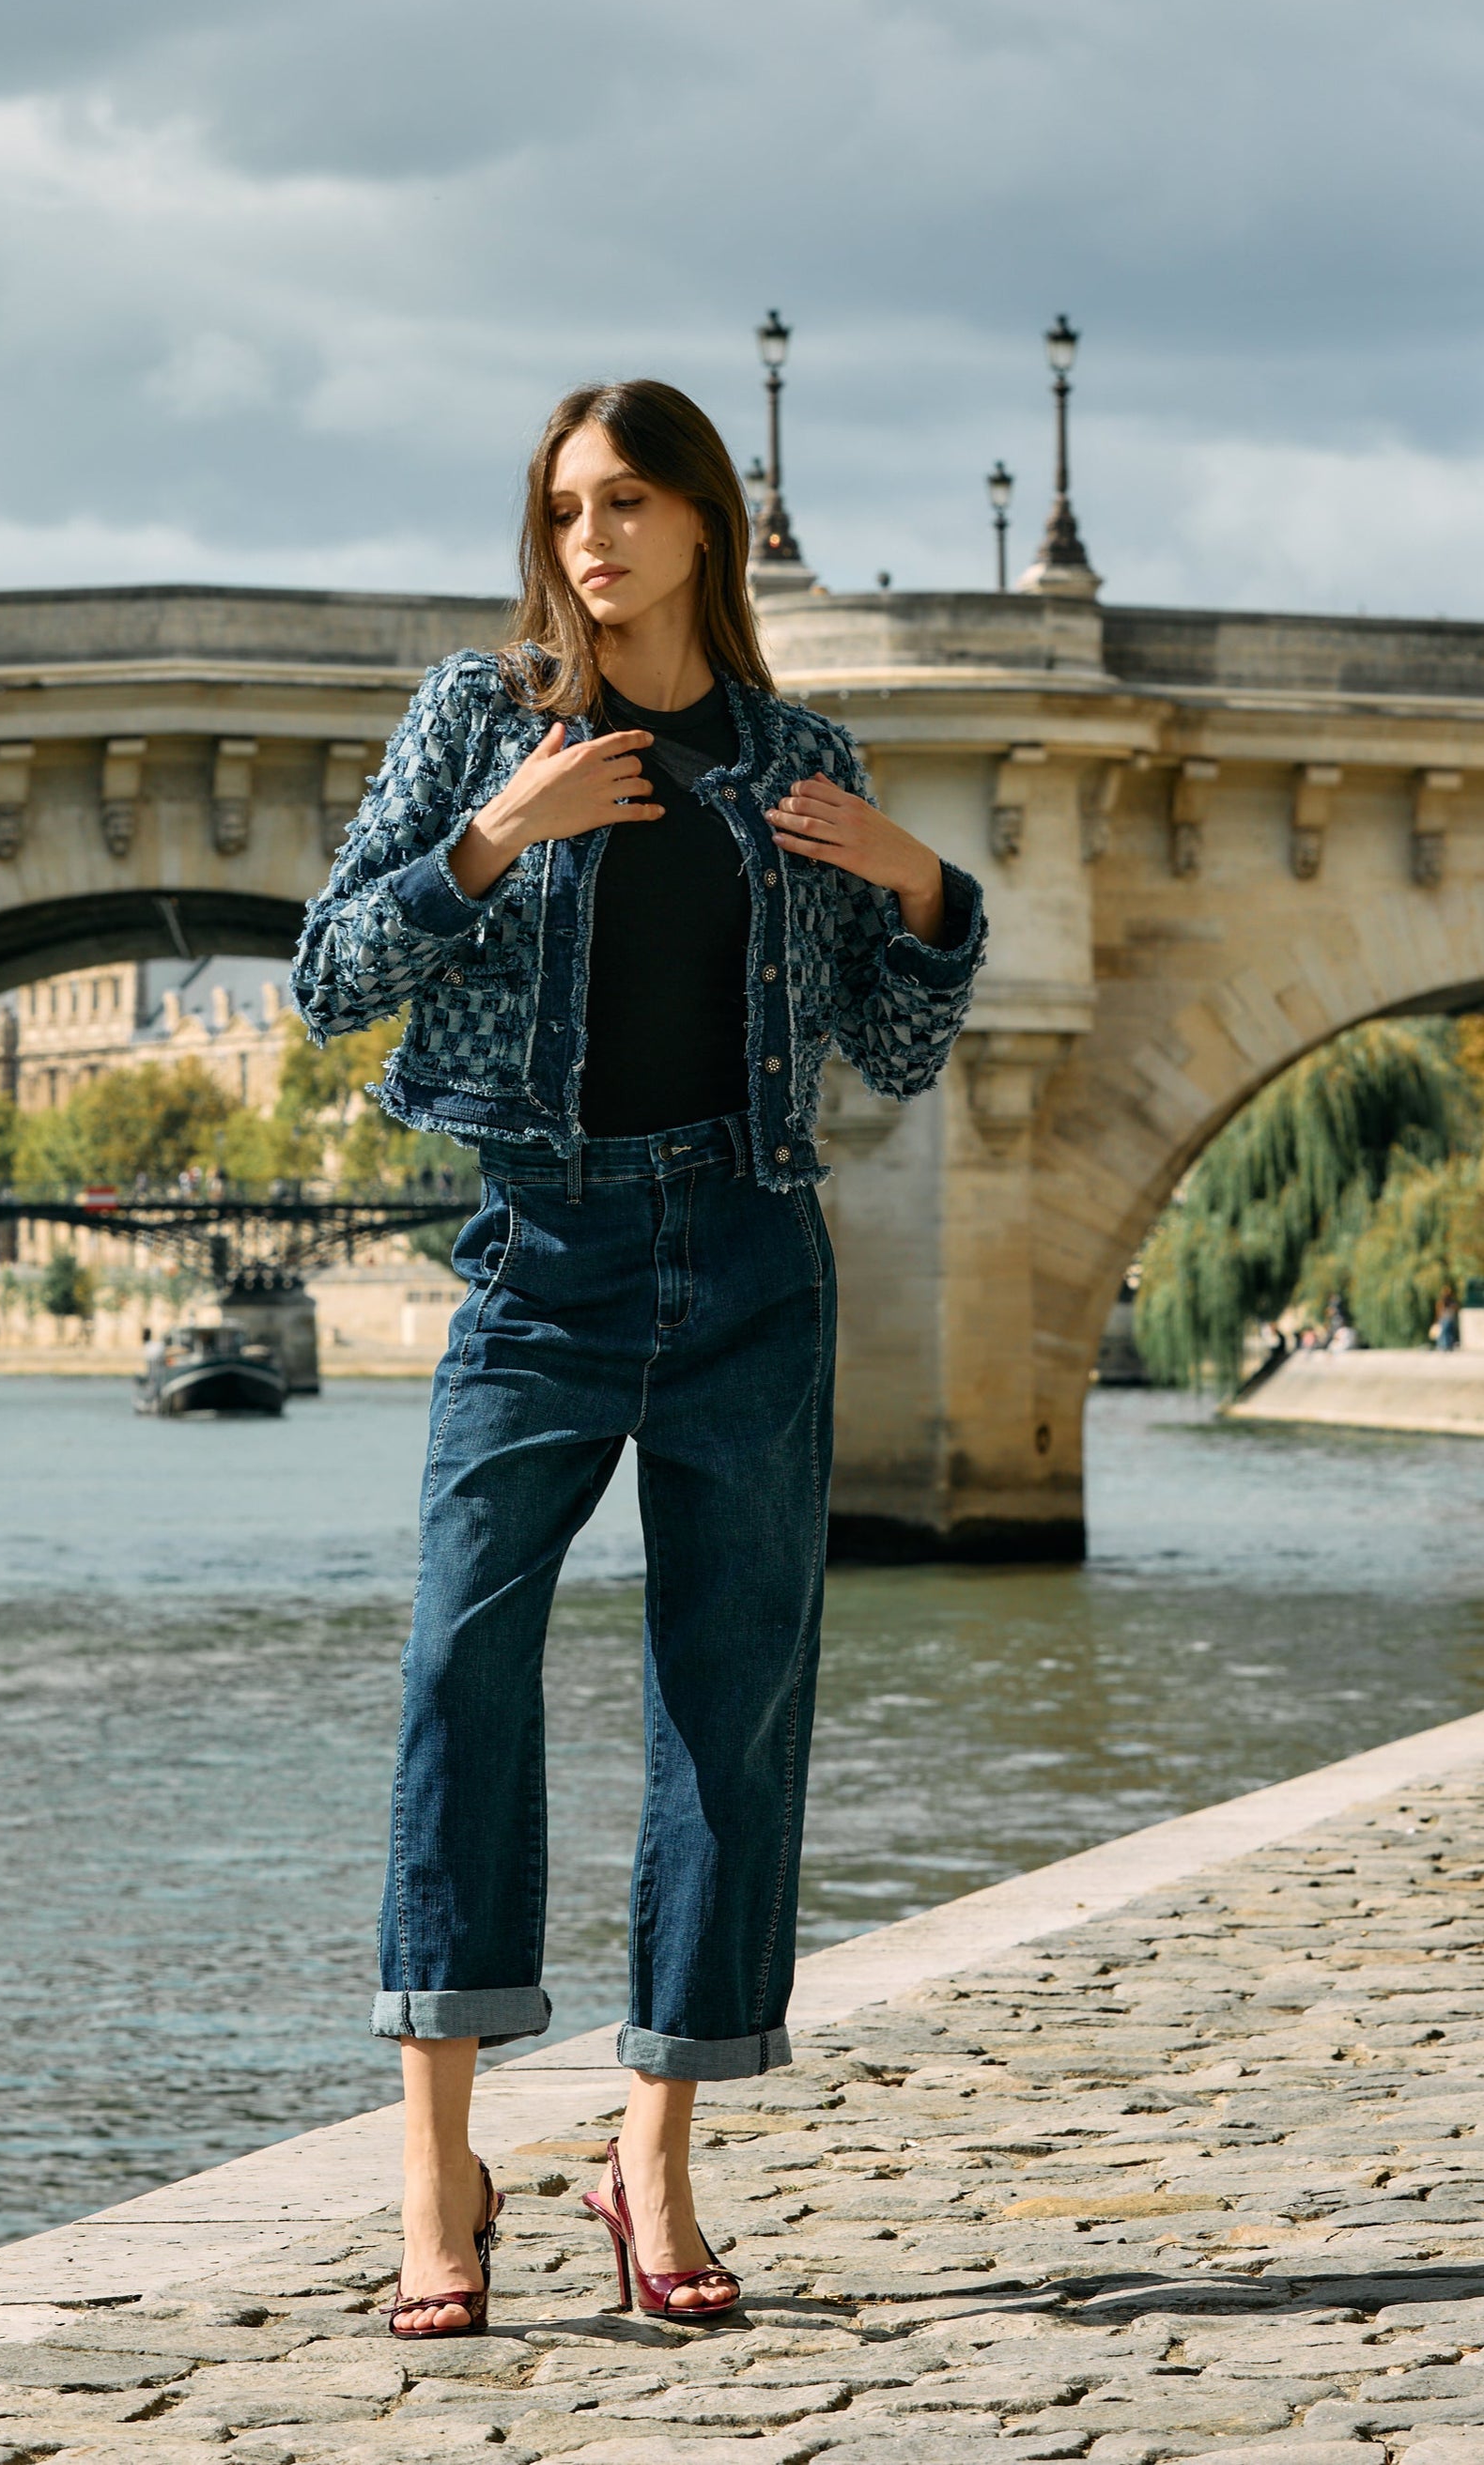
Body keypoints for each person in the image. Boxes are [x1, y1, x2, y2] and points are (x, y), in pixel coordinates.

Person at [291, 378, 985, 2338]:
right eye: (563, 508)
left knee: (727, 1707)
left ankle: (652, 2159)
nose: (588, 539)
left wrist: (923, 887)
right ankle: (437, 2177)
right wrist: (490, 840)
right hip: (543, 1256)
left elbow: (895, 1047)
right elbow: (330, 975)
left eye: (624, 503)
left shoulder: (798, 760)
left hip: (752, 1258)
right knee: (459, 1670)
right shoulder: (482, 719)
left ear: (702, 524)